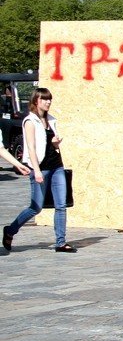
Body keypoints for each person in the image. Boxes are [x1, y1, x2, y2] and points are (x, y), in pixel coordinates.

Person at [3, 88, 74, 253]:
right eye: (44, 99)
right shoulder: (30, 121)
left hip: (57, 166)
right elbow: (31, 148)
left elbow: (50, 144)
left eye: (49, 99)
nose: (48, 102)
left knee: (61, 204)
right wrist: (36, 170)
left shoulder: (51, 120)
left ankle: (61, 242)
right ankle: (10, 230)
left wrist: (56, 143)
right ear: (36, 101)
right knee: (36, 207)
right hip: (40, 167)